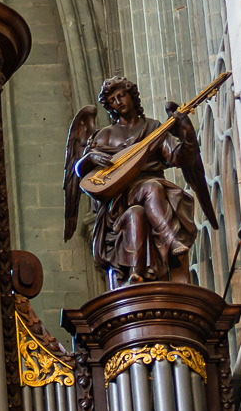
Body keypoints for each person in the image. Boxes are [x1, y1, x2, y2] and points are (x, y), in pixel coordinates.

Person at [65, 78, 219, 287]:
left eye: (121, 96)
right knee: (148, 192)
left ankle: (141, 271)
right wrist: (89, 159)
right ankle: (168, 243)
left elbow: (180, 157)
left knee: (140, 207)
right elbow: (83, 175)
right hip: (118, 201)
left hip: (149, 191)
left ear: (132, 96)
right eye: (112, 100)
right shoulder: (105, 136)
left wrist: (188, 133)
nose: (118, 102)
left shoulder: (153, 128)